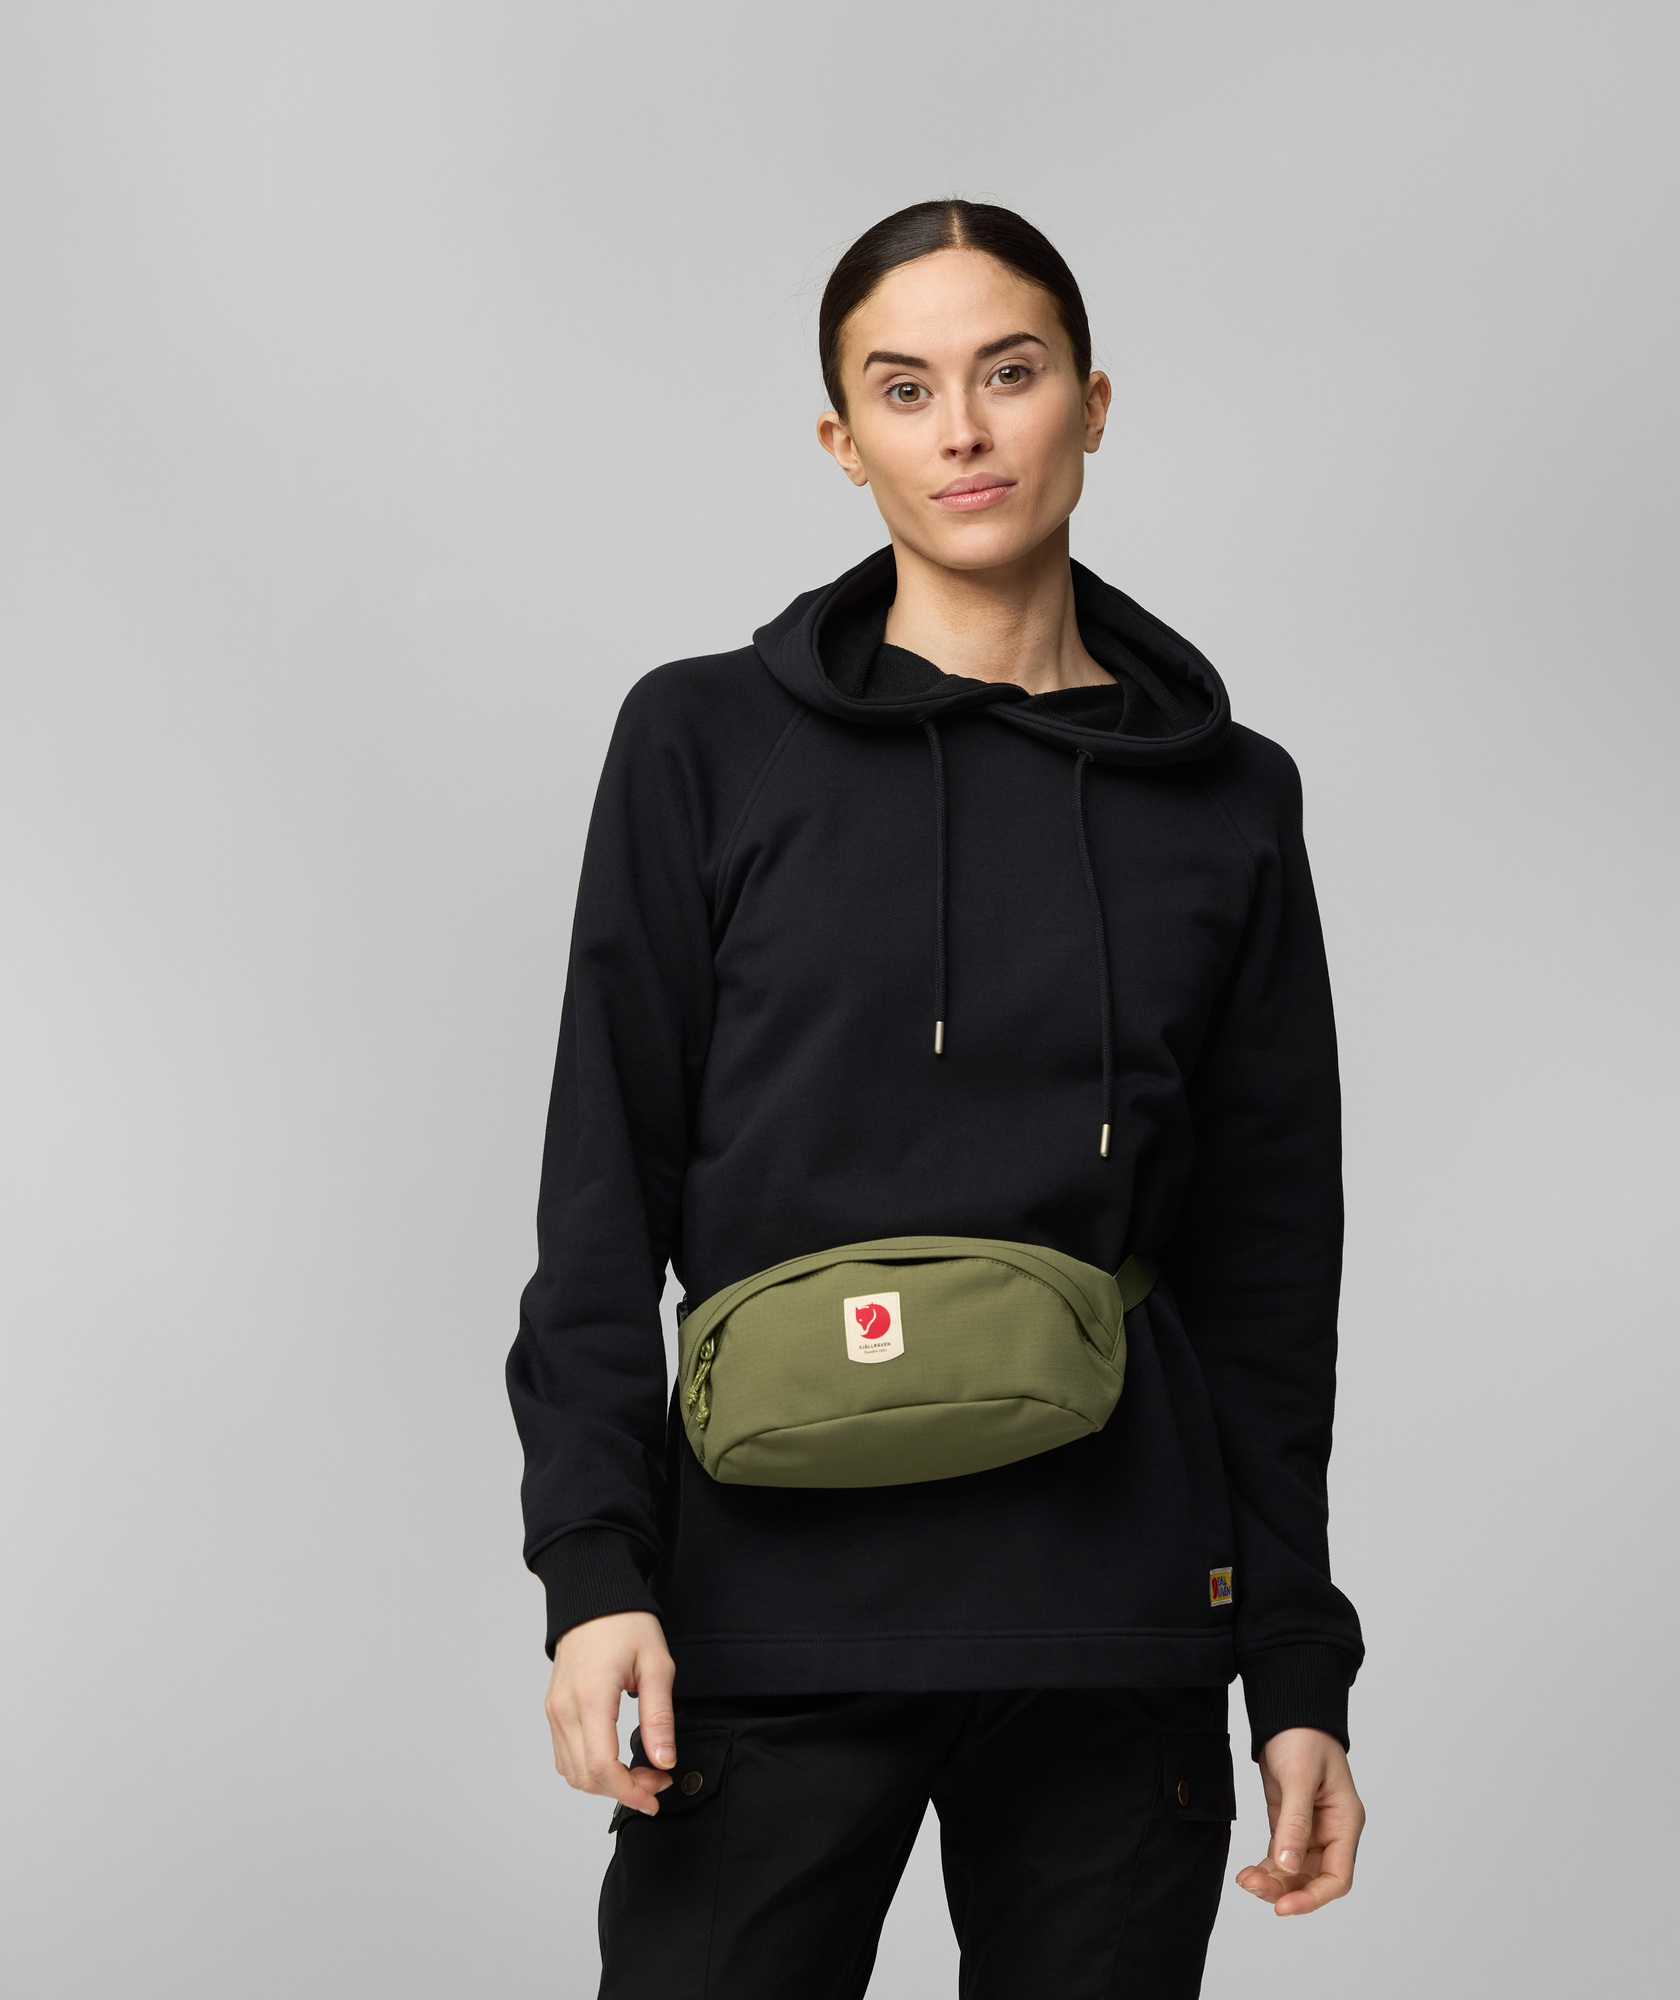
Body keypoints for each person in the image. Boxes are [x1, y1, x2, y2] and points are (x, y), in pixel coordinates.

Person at [506, 199, 1365, 1998]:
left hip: (1114, 1623)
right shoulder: (699, 742)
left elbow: (1272, 1272)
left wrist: (1296, 1668)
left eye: (1010, 373)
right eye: (904, 390)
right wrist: (595, 1573)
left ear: (1093, 403)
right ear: (844, 440)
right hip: (764, 1614)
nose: (963, 430)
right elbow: (600, 1197)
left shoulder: (1228, 798)